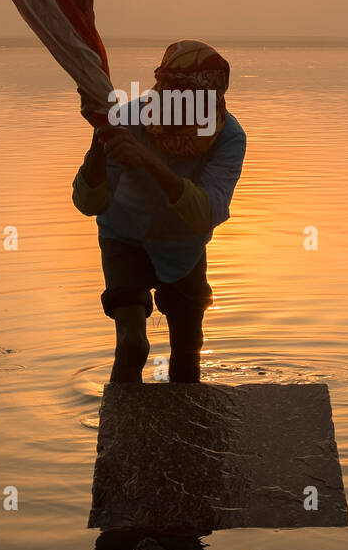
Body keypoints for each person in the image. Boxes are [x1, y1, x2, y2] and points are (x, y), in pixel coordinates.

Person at [72, 40, 246, 384]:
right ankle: (123, 431)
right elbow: (88, 204)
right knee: (132, 345)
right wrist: (99, 140)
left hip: (185, 247)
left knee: (187, 352)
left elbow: (204, 214)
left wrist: (148, 161)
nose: (179, 104)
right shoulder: (126, 121)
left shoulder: (228, 137)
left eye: (192, 98)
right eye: (172, 93)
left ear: (212, 99)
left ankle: (187, 430)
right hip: (124, 238)